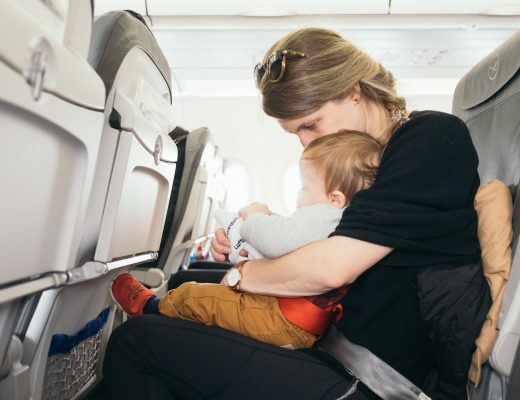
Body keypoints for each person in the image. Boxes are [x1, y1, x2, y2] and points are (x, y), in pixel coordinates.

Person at [99, 27, 490, 400]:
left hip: (372, 381)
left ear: (353, 92)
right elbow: (326, 234)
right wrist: (249, 240)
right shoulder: (367, 159)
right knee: (187, 282)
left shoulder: (430, 140)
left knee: (135, 343)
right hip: (330, 346)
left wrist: (243, 275)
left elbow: (330, 268)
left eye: (311, 125)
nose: (305, 144)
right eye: (296, 134)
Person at [110, 130, 382, 350]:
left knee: (196, 295)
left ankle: (151, 309)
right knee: (216, 299)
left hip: (282, 319)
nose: (299, 196)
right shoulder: (338, 218)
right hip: (294, 319)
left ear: (334, 198)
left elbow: (277, 241)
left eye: (304, 187)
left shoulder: (325, 215)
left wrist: (255, 217)